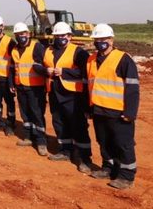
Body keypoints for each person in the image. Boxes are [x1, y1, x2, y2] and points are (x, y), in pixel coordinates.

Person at [87, 24, 139, 190]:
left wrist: (130, 111)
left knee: (123, 143)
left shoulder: (123, 59)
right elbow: (89, 85)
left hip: (118, 111)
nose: (101, 42)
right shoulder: (91, 59)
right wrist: (89, 107)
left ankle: (126, 175)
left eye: (104, 39)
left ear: (111, 39)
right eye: (98, 39)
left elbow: (132, 87)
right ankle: (108, 168)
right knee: (104, 141)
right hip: (98, 109)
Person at [44, 21, 92, 173]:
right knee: (59, 122)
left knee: (78, 126)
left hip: (73, 95)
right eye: (57, 35)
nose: (60, 38)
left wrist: (63, 72)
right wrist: (46, 71)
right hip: (54, 92)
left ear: (70, 36)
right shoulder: (49, 50)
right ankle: (65, 150)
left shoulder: (79, 52)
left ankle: (84, 158)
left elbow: (86, 73)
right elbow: (39, 65)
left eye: (63, 35)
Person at [9, 22, 48, 156]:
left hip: (35, 88)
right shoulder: (14, 49)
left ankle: (41, 142)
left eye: (23, 33)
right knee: (25, 113)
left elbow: (45, 66)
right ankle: (28, 137)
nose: (21, 36)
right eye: (18, 34)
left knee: (37, 114)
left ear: (28, 34)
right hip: (21, 86)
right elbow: (12, 68)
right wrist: (11, 83)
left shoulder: (37, 47)